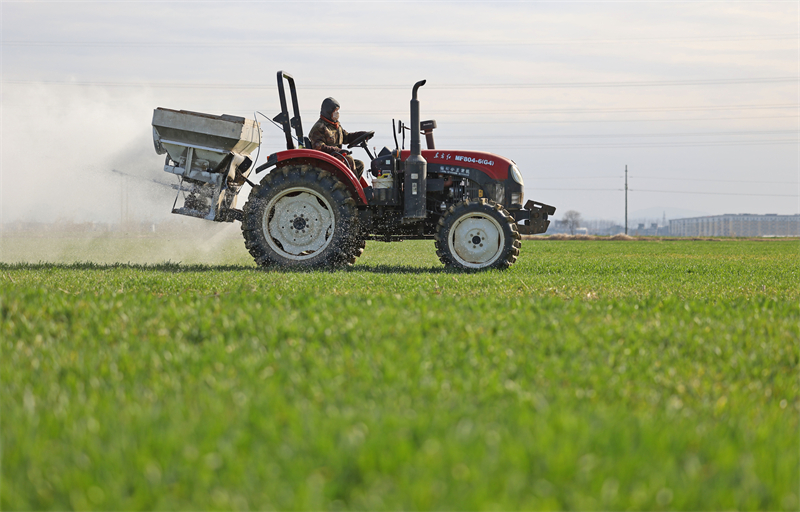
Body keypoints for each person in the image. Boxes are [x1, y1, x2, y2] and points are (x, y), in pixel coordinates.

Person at [308, 97, 370, 179]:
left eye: (338, 111)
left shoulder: (336, 126)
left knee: (359, 164)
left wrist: (362, 134)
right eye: (335, 111)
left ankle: (349, 187)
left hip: (337, 158)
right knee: (349, 159)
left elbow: (346, 137)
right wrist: (338, 151)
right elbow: (319, 147)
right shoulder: (319, 127)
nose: (337, 113)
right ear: (328, 112)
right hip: (327, 161)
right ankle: (354, 189)